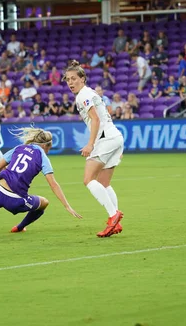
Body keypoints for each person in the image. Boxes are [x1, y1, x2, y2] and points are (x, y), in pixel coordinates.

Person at [0, 127, 81, 234]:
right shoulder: (42, 156)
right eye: (49, 148)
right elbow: (53, 184)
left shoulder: (18, 148)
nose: (48, 151)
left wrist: (10, 175)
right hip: (15, 200)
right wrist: (67, 206)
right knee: (44, 202)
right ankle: (19, 227)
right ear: (46, 145)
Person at [64, 60, 124, 238]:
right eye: (67, 79)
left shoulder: (83, 95)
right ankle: (115, 222)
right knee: (104, 183)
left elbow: (96, 119)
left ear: (82, 79)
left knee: (88, 179)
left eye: (74, 78)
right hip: (114, 137)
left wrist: (90, 144)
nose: (70, 82)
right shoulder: (88, 93)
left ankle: (113, 216)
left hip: (105, 139)